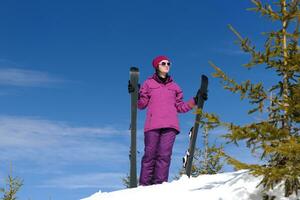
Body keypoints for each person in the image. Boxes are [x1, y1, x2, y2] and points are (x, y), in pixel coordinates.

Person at [128, 55, 207, 186]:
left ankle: (160, 186)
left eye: (168, 63)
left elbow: (180, 107)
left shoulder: (175, 86)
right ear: (157, 66)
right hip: (152, 125)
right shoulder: (148, 84)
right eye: (163, 63)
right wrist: (135, 94)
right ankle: (144, 186)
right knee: (149, 155)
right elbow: (142, 104)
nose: (166, 65)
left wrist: (195, 100)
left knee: (164, 156)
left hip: (170, 125)